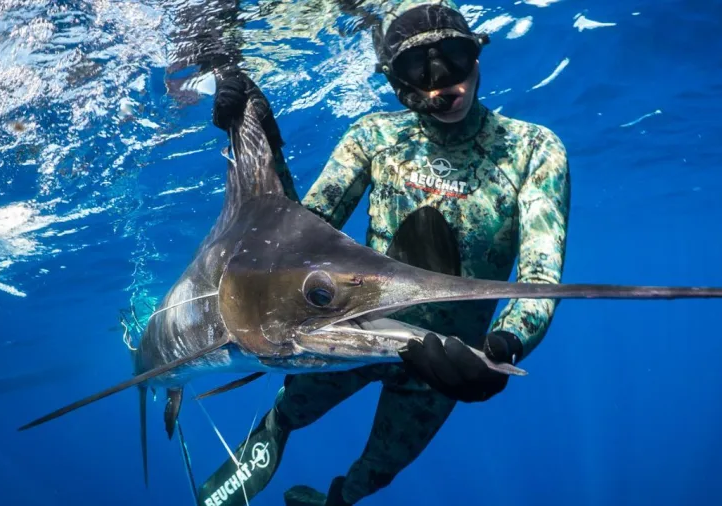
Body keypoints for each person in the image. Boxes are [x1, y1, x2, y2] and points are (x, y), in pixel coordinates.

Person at [198, 1, 571, 505]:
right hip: (350, 332)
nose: (442, 82)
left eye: (454, 58)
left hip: (446, 360)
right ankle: (271, 433)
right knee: (292, 410)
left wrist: (504, 346)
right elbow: (294, 240)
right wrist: (259, 129)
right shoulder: (373, 136)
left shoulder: (535, 150)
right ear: (398, 83)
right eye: (419, 68)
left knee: (378, 470)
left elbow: (540, 276)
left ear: (478, 56)